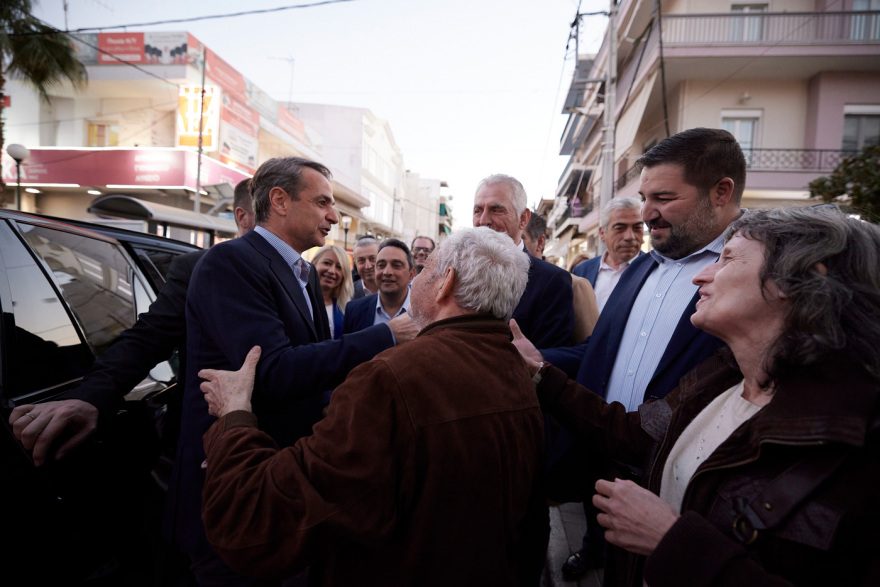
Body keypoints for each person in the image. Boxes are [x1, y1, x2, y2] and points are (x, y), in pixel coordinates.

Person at [517, 206, 880, 586]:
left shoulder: (857, 444)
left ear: (799, 281)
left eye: (728, 259)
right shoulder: (722, 375)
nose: (700, 276)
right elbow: (634, 434)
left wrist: (672, 542)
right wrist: (540, 374)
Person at [197, 227, 545, 586]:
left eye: (425, 269)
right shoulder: (521, 374)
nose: (414, 279)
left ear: (445, 283)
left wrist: (234, 416)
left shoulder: (389, 378)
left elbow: (255, 518)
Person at [168, 157, 418, 585]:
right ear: (280, 201)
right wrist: (387, 336)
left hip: (279, 485)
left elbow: (315, 368)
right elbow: (272, 371)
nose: (334, 216)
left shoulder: (302, 274)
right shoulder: (231, 262)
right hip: (233, 494)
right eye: (322, 202)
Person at [529, 128, 746, 581]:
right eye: (645, 197)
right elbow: (600, 354)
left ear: (721, 192)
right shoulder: (642, 268)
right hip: (607, 462)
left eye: (663, 198)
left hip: (688, 492)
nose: (647, 214)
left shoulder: (755, 273)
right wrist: (537, 362)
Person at [9, 178, 255, 466]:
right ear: (243, 216)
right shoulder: (199, 269)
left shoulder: (298, 275)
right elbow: (148, 338)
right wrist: (90, 397)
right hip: (208, 447)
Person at [473, 173, 574, 349]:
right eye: (478, 211)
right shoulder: (456, 272)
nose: (483, 221)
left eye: (496, 210)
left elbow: (550, 356)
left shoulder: (552, 281)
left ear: (523, 219)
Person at [572, 196, 644, 313]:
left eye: (637, 228)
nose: (630, 237)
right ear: (602, 233)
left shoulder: (655, 269)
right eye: (620, 228)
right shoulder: (582, 271)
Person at [343, 238, 415, 333]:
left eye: (396, 265)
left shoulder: (427, 312)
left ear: (411, 275)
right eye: (381, 265)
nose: (387, 272)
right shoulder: (354, 310)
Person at [311, 244, 354, 339]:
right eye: (327, 263)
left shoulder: (347, 308)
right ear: (313, 263)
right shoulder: (298, 300)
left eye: (339, 267)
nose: (332, 271)